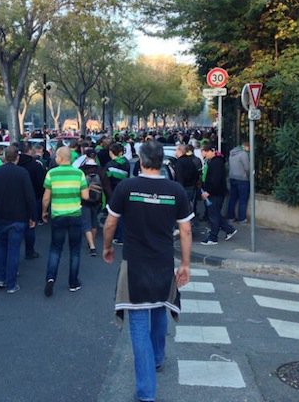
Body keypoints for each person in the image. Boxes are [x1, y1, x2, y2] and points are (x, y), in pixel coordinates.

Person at [102, 141, 193, 402]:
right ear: (161, 162)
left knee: (139, 324)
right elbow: (186, 230)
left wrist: (107, 247)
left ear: (141, 161)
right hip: (162, 263)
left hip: (135, 265)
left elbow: (111, 222)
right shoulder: (175, 190)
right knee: (159, 308)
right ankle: (157, 358)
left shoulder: (127, 187)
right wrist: (185, 264)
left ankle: (146, 393)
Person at [0, 146, 36, 294]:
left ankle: (1, 278)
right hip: (18, 216)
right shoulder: (22, 173)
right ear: (17, 157)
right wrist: (32, 216)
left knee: (1, 247)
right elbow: (30, 196)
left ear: (4, 157)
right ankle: (11, 283)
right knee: (14, 249)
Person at [41, 146, 89, 296]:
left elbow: (46, 197)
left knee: (55, 248)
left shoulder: (51, 173)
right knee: (75, 250)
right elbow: (86, 196)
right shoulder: (79, 173)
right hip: (75, 215)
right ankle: (73, 282)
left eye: (56, 156)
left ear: (60, 158)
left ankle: (50, 278)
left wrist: (44, 212)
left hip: (58, 215)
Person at [200, 143, 237, 245]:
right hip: (216, 192)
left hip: (215, 193)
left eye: (204, 152)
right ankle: (229, 229)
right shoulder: (214, 161)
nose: (203, 155)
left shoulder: (216, 163)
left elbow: (215, 180)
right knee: (215, 213)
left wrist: (208, 191)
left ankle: (213, 237)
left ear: (211, 151)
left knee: (214, 215)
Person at [18, 143, 45, 259]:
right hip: (33, 197)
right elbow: (41, 183)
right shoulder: (36, 165)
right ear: (29, 151)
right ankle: (29, 251)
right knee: (31, 224)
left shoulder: (16, 165)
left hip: (17, 198)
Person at [79, 149, 108, 256]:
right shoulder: (100, 170)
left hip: (84, 199)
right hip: (97, 200)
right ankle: (92, 242)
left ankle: (92, 246)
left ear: (86, 157)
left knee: (86, 222)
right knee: (94, 222)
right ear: (95, 157)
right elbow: (106, 187)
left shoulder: (81, 170)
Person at [227, 140, 250, 224]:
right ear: (246, 146)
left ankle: (230, 217)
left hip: (232, 177)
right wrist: (249, 175)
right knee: (243, 200)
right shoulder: (244, 154)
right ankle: (242, 219)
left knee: (232, 199)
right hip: (242, 179)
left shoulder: (232, 153)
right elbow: (247, 168)